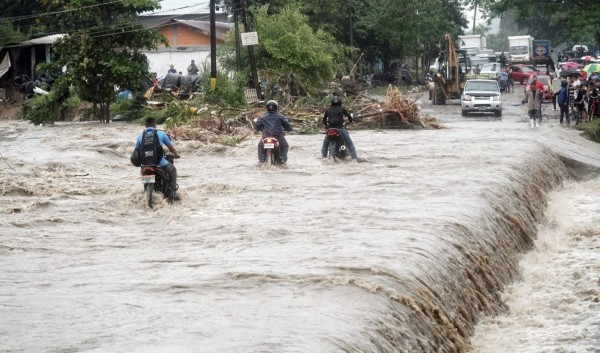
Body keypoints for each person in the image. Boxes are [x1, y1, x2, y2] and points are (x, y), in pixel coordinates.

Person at [135, 117, 181, 200]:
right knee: (173, 170)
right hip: (159, 162)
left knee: (145, 173)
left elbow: (137, 151)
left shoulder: (140, 136)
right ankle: (173, 192)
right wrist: (176, 155)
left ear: (145, 125)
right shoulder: (161, 134)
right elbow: (171, 148)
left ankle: (146, 192)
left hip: (145, 164)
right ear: (155, 124)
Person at [321, 96, 358, 160]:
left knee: (325, 145)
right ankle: (355, 158)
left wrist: (327, 126)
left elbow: (324, 120)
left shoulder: (328, 110)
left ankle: (323, 157)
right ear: (340, 102)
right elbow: (350, 118)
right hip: (340, 129)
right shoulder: (342, 109)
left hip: (330, 129)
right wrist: (350, 121)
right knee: (350, 144)